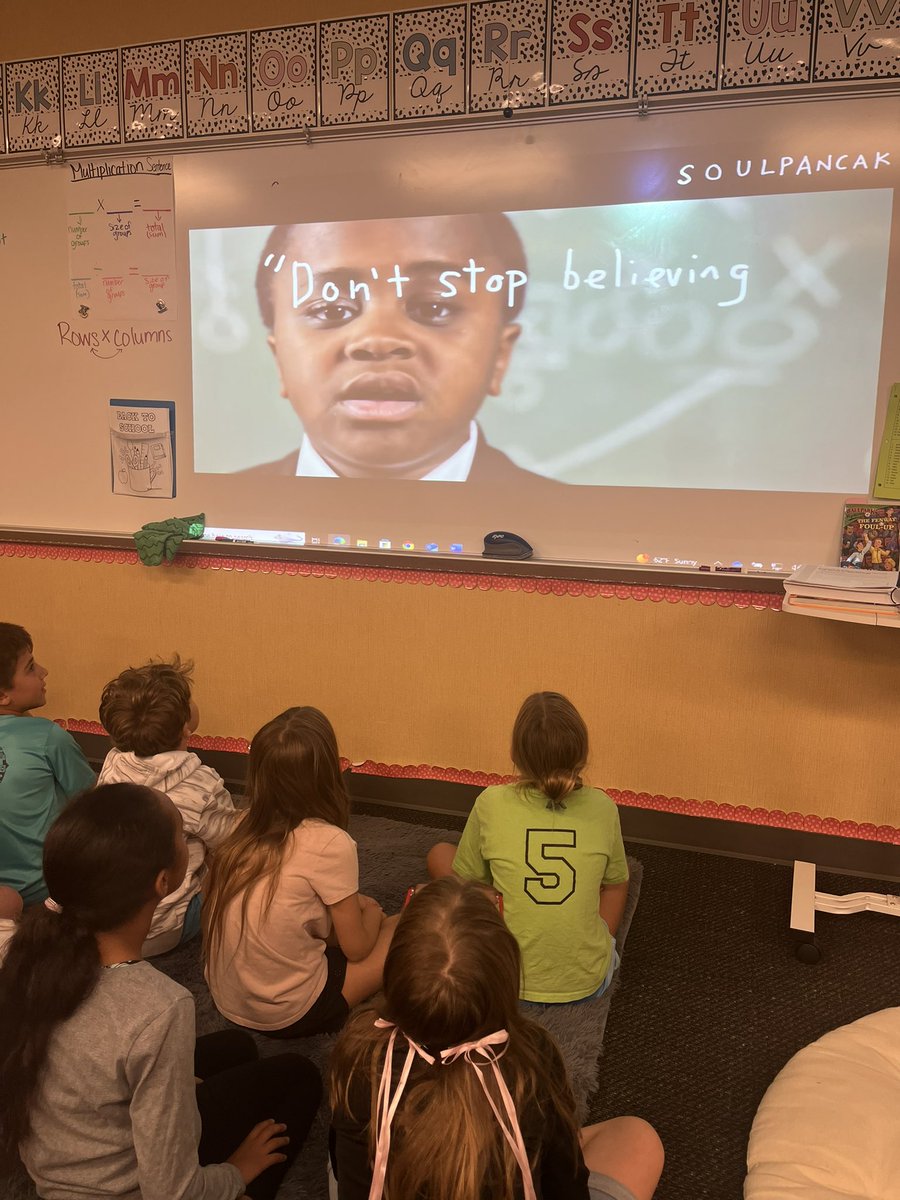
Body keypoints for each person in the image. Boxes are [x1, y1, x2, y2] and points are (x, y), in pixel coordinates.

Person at [0, 782, 322, 1200]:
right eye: (181, 832)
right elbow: (172, 1192)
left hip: (68, 1160)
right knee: (299, 1075)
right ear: (163, 881)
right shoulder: (158, 1007)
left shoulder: (27, 955)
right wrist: (235, 1172)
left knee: (236, 1047)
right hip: (126, 1191)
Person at [329, 876, 664, 1200]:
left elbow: (352, 1181)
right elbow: (565, 1183)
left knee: (339, 1161)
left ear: (394, 974)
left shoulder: (361, 1053)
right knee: (637, 1137)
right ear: (505, 978)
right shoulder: (532, 1057)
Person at [243, 212, 555, 484]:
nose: (378, 339)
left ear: (500, 355)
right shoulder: (224, 509)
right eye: (331, 310)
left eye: (433, 307)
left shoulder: (568, 521)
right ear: (278, 357)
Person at [204, 706, 398, 1037]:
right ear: (327, 773)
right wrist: (373, 913)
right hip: (289, 1011)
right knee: (407, 926)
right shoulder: (330, 843)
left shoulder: (237, 826)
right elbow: (357, 948)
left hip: (227, 997)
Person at [427, 691, 629, 1003]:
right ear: (582, 754)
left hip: (502, 980)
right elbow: (616, 886)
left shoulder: (490, 802)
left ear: (513, 752)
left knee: (440, 853)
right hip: (589, 983)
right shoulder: (604, 807)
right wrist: (601, 938)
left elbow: (468, 885)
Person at [98, 656, 237, 956]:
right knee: (235, 862)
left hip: (111, 928)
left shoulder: (113, 764)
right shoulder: (202, 785)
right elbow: (231, 842)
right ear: (186, 727)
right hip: (167, 927)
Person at [0, 623, 96, 906]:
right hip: (46, 891)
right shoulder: (48, 737)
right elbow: (92, 803)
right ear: (3, 696)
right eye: (31, 668)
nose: (44, 671)